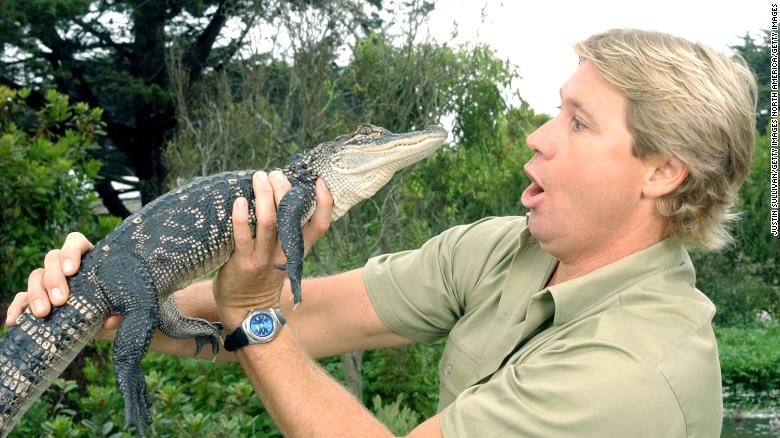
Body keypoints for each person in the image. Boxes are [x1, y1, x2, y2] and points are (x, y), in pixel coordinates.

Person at [6, 28, 757, 437]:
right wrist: (88, 309)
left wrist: (253, 314)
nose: (536, 135)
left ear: (663, 172)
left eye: (577, 121)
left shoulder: (630, 375)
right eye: (555, 108)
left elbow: (264, 320)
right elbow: (318, 314)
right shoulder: (505, 249)